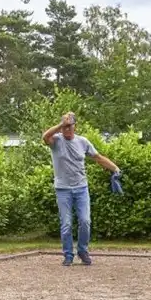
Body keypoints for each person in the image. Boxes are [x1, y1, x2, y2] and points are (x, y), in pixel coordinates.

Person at [42, 112, 121, 266]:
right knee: (66, 224)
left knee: (85, 221)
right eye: (64, 127)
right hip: (63, 189)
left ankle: (83, 251)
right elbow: (45, 136)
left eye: (69, 126)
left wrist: (115, 168)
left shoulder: (83, 142)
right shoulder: (56, 141)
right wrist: (60, 125)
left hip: (81, 188)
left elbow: (98, 157)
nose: (67, 129)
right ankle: (68, 255)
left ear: (75, 126)